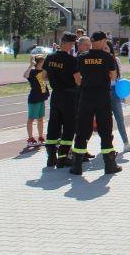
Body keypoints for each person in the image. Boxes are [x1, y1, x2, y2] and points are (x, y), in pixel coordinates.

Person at [70, 31, 122, 176]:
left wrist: (87, 84)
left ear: (92, 42)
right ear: (103, 41)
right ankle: (109, 165)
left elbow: (77, 78)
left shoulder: (81, 57)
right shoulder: (107, 57)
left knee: (82, 129)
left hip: (86, 96)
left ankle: (77, 166)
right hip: (102, 96)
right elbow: (114, 76)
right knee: (105, 130)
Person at [43, 32, 81, 168]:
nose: (72, 47)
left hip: (56, 95)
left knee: (54, 125)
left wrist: (53, 81)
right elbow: (78, 80)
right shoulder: (71, 60)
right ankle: (63, 157)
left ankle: (51, 156)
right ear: (69, 44)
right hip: (69, 96)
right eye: (72, 44)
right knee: (69, 126)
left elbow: (43, 76)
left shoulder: (50, 57)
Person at [105, 40, 130, 153]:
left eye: (106, 48)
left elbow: (118, 78)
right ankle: (107, 145)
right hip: (103, 92)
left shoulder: (116, 60)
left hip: (114, 91)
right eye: (103, 48)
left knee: (120, 118)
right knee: (106, 120)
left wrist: (121, 94)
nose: (105, 50)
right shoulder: (99, 61)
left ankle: (126, 143)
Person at [24, 55, 49, 147]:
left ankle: (41, 137)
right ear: (38, 63)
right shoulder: (32, 72)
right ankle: (30, 139)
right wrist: (31, 65)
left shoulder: (44, 72)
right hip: (34, 99)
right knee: (31, 119)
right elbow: (25, 75)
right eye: (43, 62)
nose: (44, 64)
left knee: (40, 119)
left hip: (41, 99)